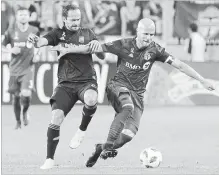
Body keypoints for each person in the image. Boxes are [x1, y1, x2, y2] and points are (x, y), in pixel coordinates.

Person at [51, 18, 216, 167]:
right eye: (145, 33)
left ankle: (100, 148)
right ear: (137, 32)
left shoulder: (155, 50)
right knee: (127, 106)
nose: (148, 37)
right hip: (117, 87)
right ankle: (108, 146)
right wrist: (69, 50)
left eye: (151, 34)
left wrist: (201, 80)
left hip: (137, 96)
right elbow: (92, 47)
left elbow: (179, 65)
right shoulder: (123, 44)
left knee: (128, 135)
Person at [27, 4, 104, 169]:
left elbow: (102, 55)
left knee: (91, 99)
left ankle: (81, 131)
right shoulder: (57, 34)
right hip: (65, 84)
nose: (76, 22)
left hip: (86, 81)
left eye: (78, 19)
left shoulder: (88, 33)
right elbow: (42, 41)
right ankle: (49, 159)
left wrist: (98, 48)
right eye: (72, 20)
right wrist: (35, 40)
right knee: (56, 117)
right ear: (64, 19)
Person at [2, 6, 39, 129]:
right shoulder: (11, 30)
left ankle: (25, 112)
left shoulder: (34, 30)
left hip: (27, 69)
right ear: (17, 17)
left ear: (29, 16)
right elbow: (1, 46)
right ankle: (18, 121)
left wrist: (37, 55)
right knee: (16, 97)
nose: (23, 16)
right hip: (14, 70)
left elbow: (39, 45)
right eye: (20, 15)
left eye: (25, 14)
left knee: (26, 94)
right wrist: (10, 49)